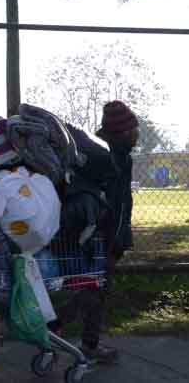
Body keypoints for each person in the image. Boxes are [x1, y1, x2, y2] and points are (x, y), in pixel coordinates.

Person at [54, 100, 138, 365]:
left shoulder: (119, 156)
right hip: (100, 234)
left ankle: (69, 332)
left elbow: (121, 200)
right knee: (93, 288)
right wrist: (112, 235)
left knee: (94, 287)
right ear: (121, 131)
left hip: (111, 233)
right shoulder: (104, 157)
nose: (137, 135)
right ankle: (58, 327)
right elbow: (103, 201)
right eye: (133, 130)